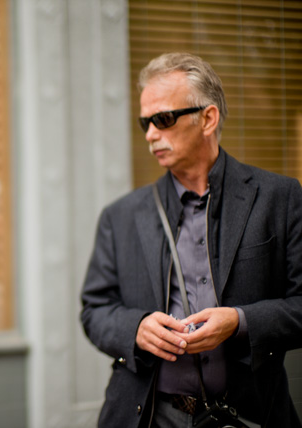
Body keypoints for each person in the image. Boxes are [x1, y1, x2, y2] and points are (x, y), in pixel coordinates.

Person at [80, 53, 302, 427]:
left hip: (251, 415)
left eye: (163, 119)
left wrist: (240, 321)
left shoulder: (280, 198)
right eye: (145, 123)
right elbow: (94, 310)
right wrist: (135, 328)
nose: (151, 134)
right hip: (150, 416)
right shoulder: (120, 216)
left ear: (208, 118)